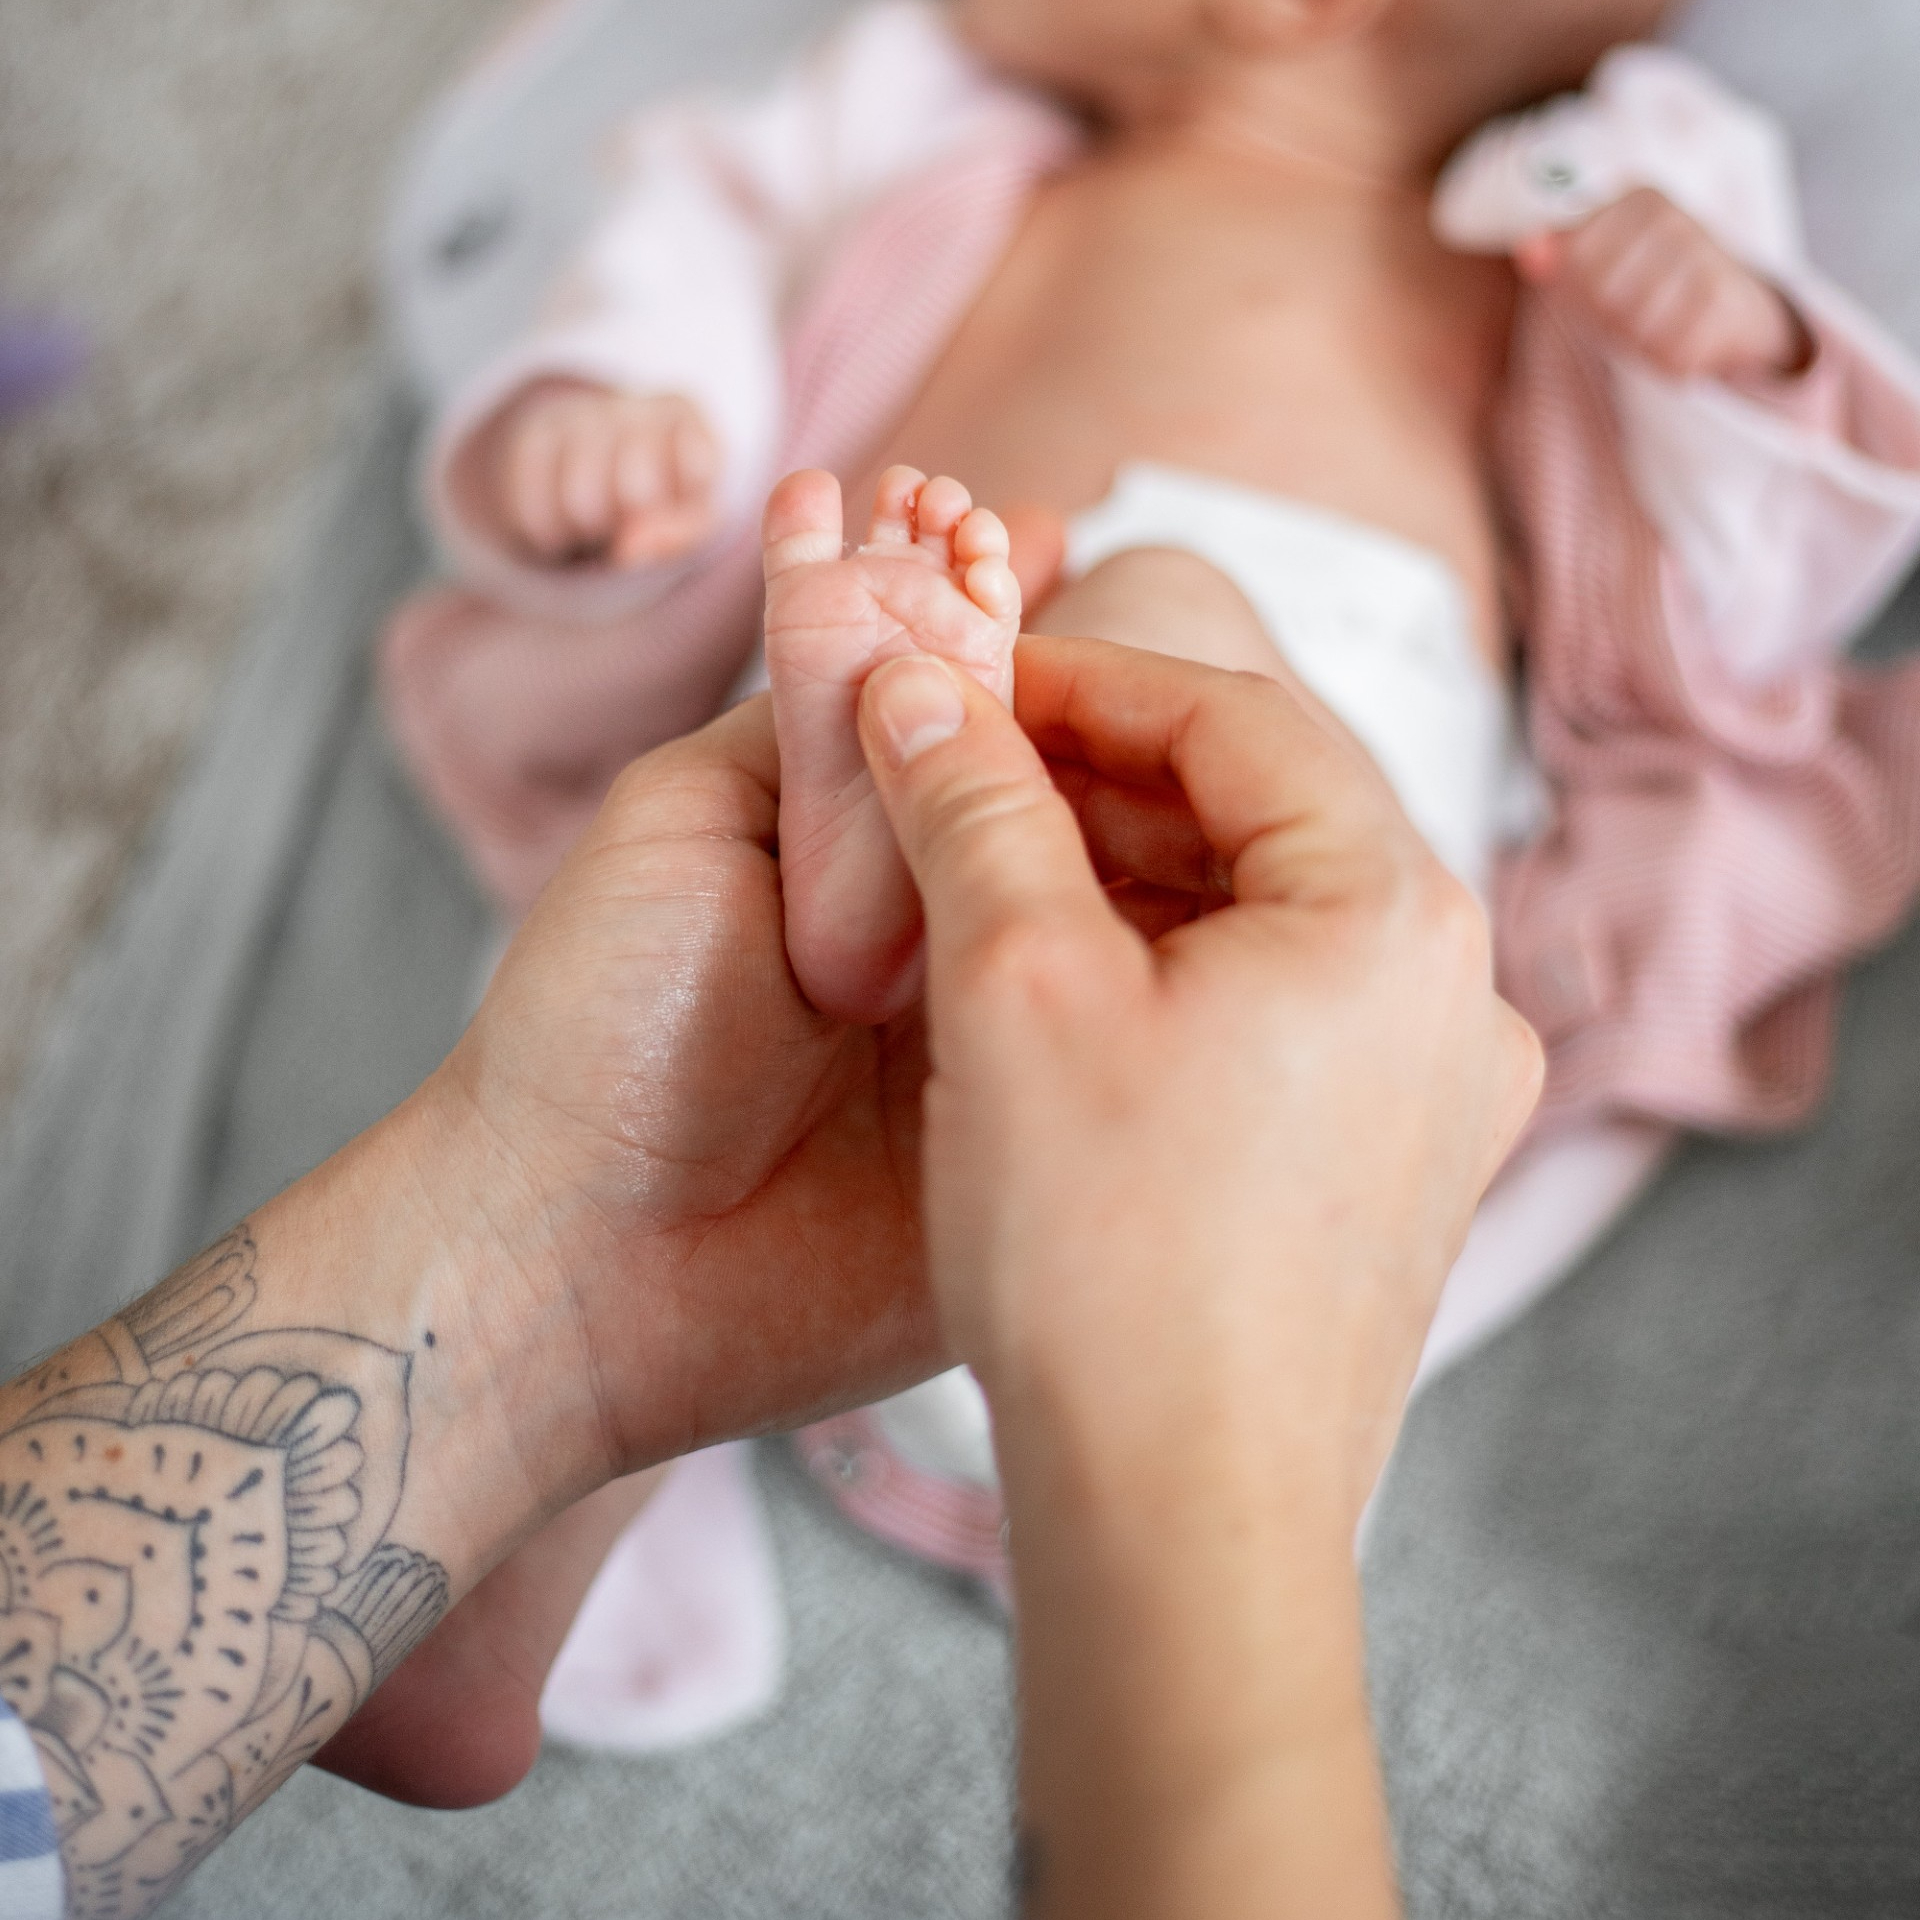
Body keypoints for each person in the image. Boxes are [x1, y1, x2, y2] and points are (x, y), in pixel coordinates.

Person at [377, 0, 1920, 1619]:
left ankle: (1166, 1417)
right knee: (657, 963)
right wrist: (624, 402)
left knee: (1209, 871)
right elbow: (695, 221)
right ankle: (552, 1465)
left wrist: (1745, 355)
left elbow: (1745, 593)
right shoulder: (930, 118)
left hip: (1314, 706)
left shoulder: (1600, 185)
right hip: (905, 635)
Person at [0, 603, 1538, 1917]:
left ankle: (525, 1364)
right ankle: (533, 1383)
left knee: (1135, 615)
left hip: (1234, 904)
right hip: (1154, 1064)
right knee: (998, 700)